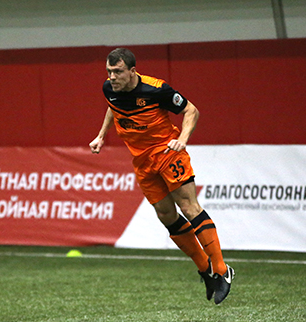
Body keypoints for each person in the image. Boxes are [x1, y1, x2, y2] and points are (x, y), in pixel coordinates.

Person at [89, 48, 234, 304]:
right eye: (109, 71)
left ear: (132, 71)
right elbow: (113, 108)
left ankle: (222, 270)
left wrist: (182, 140)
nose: (112, 77)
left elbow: (192, 111)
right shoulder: (109, 88)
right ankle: (205, 270)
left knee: (189, 207)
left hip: (168, 153)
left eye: (118, 72)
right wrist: (101, 135)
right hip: (142, 161)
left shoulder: (156, 90)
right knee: (166, 215)